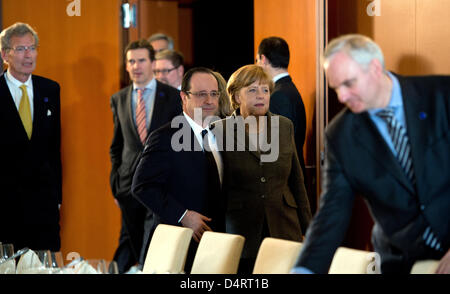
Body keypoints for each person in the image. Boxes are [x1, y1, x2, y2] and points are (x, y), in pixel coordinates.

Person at [292, 34, 450, 274]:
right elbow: (331, 212)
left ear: (375, 68)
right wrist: (304, 270)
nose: (341, 97)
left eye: (349, 83)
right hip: (401, 259)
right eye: (336, 88)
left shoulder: (441, 95)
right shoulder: (340, 136)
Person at [213, 64, 312, 274]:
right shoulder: (219, 130)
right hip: (242, 232)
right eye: (252, 90)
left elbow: (297, 180)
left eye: (265, 90)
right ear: (236, 97)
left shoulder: (284, 126)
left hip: (285, 228)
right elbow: (215, 188)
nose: (261, 96)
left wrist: (307, 228)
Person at [131, 67, 226, 272]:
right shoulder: (165, 136)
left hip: (217, 248)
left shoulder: (221, 134)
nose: (209, 100)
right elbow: (142, 186)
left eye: (214, 94)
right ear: (184, 97)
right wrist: (183, 215)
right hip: (177, 248)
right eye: (201, 94)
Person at [109, 39, 181, 273]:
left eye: (141, 60)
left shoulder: (172, 96)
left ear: (152, 63)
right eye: (131, 61)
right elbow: (117, 145)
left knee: (153, 246)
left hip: (161, 183)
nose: (136, 66)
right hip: (128, 185)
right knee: (133, 240)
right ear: (126, 66)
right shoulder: (119, 98)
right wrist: (115, 184)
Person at [0, 22, 62, 251]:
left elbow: (55, 148)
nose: (29, 55)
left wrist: (57, 198)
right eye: (20, 49)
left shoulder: (51, 89)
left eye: (32, 48)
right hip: (6, 204)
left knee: (46, 264)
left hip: (44, 204)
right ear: (5, 54)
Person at [256, 36, 307, 177]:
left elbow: (278, 145)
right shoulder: (287, 88)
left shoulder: (278, 96)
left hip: (285, 178)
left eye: (256, 60)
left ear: (263, 59)